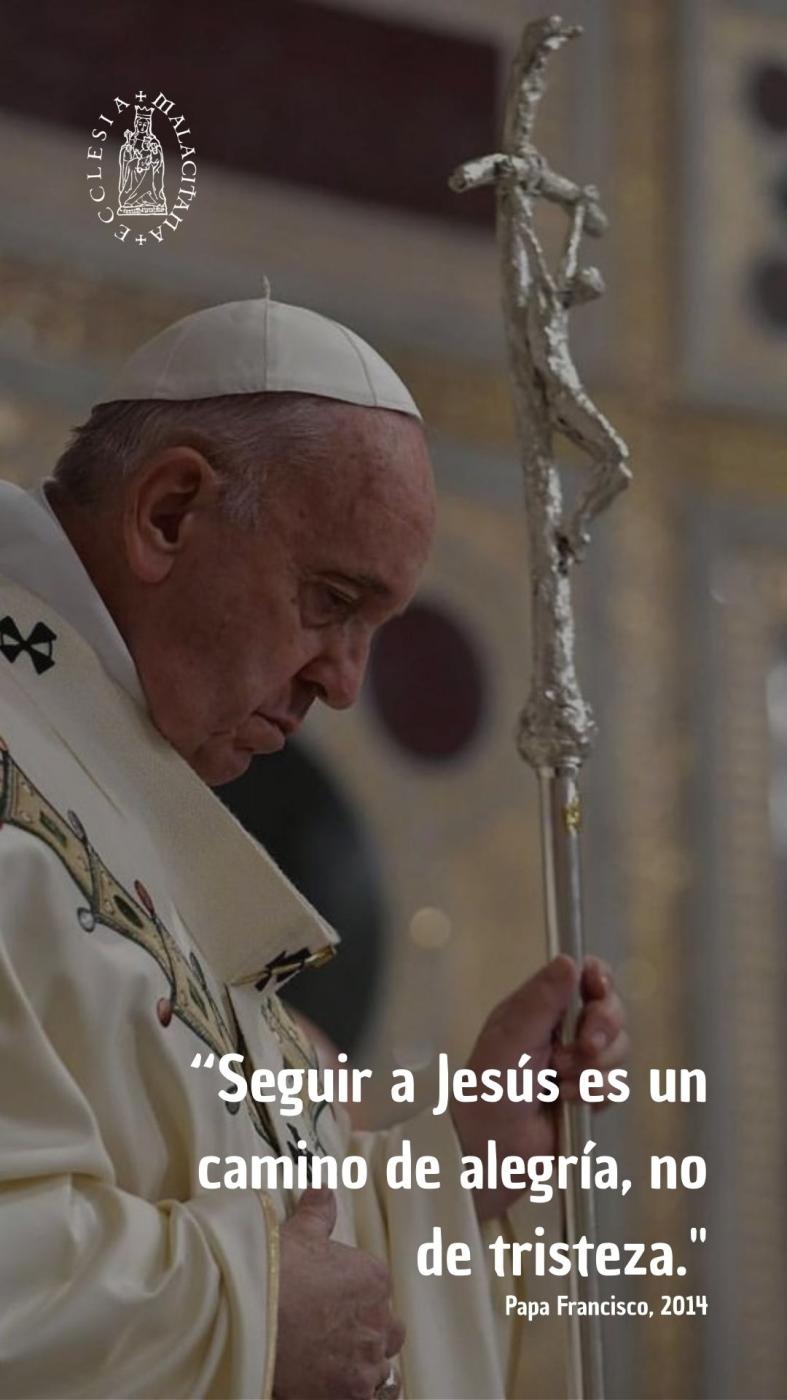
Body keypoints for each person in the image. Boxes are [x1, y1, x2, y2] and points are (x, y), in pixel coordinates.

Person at [0, 296, 628, 1399]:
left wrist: (455, 1166)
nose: (343, 681)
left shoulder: (117, 780)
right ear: (170, 512)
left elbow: (265, 1217)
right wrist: (242, 1314)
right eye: (329, 601)